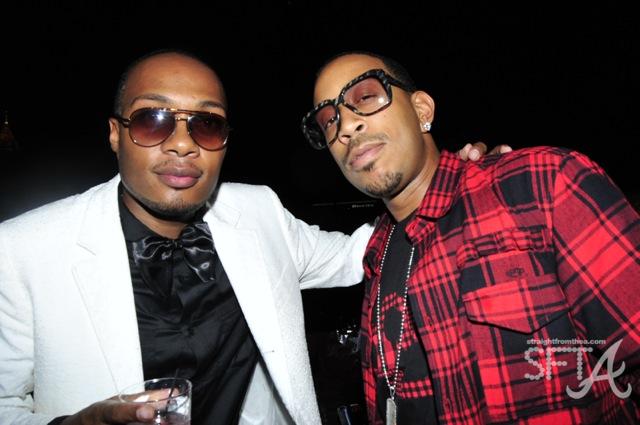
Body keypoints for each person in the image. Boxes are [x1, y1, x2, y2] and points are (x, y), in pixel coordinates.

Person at [0, 49, 492, 425]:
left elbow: (360, 254)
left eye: (206, 124)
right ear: (115, 133)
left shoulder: (258, 213)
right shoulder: (23, 250)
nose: (182, 144)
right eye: (153, 120)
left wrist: (458, 181)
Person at [302, 51, 640, 424]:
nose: (346, 126)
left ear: (421, 110)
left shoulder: (542, 184)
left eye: (365, 97)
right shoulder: (375, 255)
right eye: (329, 120)